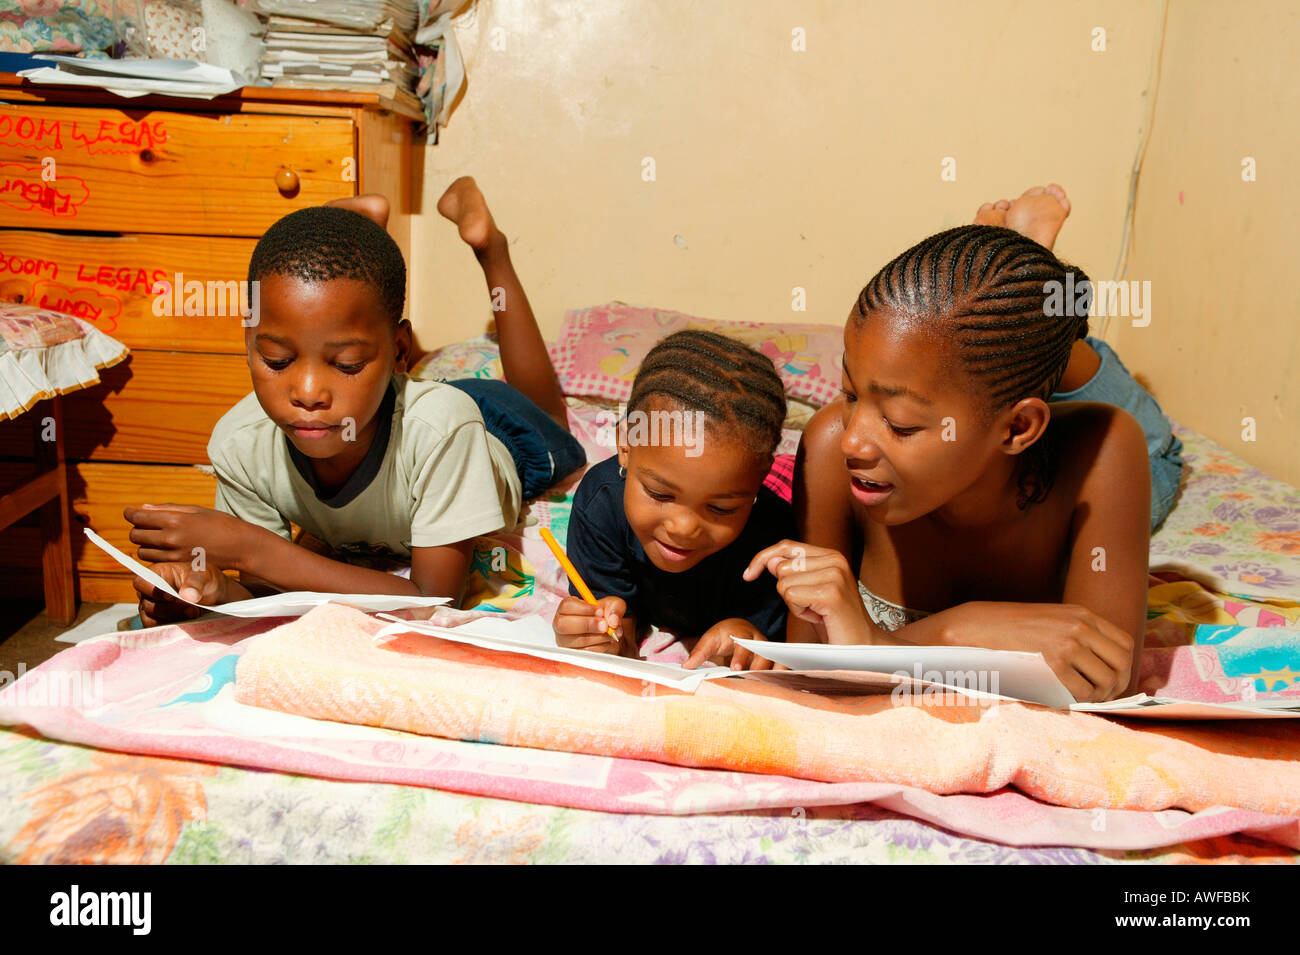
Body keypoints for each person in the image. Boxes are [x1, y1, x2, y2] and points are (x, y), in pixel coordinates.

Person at [126, 178, 585, 626]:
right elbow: (270, 592)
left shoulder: (446, 432)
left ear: (400, 352)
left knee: (547, 412)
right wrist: (208, 594)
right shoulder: (241, 443)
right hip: (395, 403)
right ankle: (364, 235)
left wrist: (250, 546)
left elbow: (433, 601)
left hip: (490, 427)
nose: (307, 393)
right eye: (277, 359)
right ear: (249, 344)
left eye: (346, 364)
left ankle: (491, 249)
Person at [750, 209, 1150, 702]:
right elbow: (814, 669)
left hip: (1071, 446)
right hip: (996, 430)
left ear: (1019, 427)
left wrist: (889, 646)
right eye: (850, 394)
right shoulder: (831, 445)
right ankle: (1025, 284)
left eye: (899, 424)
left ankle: (1040, 292)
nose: (854, 440)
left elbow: (1107, 678)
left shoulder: (1104, 451)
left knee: (1158, 452)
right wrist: (954, 633)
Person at [553, 330, 794, 670]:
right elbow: (614, 626)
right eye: (660, 494)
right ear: (625, 446)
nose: (683, 528)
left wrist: (745, 640)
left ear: (760, 478)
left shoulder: (776, 537)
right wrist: (599, 634)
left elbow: (771, 647)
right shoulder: (601, 502)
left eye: (721, 508)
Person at [976, 185, 1184, 530]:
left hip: (1014, 434)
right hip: (1070, 469)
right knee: (1149, 450)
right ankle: (1032, 303)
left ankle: (1025, 300)